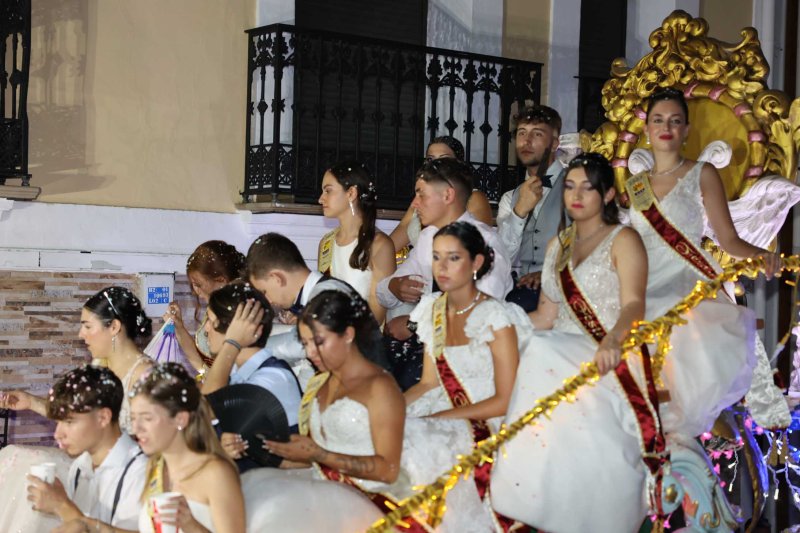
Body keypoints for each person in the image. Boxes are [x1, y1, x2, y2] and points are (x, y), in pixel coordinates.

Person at [491, 152, 656, 532]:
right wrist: (498, 334)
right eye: (569, 186)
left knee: (541, 354)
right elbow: (545, 318)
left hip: (609, 352)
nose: (576, 195)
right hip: (557, 350)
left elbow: (635, 304)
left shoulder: (624, 239)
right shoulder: (558, 246)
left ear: (608, 195)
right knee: (523, 351)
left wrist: (613, 340)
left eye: (587, 187)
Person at [629, 87, 783, 432]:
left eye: (675, 120)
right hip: (642, 276)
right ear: (647, 129)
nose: (665, 126)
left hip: (686, 275)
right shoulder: (635, 185)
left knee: (678, 324)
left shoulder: (702, 173)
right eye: (658, 120)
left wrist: (765, 257)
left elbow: (728, 239)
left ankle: (696, 422)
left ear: (685, 130)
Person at [403, 221, 534, 531]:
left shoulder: (496, 316)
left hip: (487, 420)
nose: (442, 267)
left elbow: (505, 400)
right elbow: (427, 383)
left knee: (420, 452)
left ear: (476, 262)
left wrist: (443, 417)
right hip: (439, 408)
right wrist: (392, 407)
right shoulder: (431, 310)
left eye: (453, 258)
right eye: (436, 257)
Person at [0, 287, 153, 532]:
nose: (81, 334)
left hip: (125, 470)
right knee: (13, 455)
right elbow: (78, 417)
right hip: (90, 460)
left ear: (114, 327)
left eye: (87, 326)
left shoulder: (146, 377)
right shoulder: (99, 366)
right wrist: (30, 402)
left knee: (29, 463)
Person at [377, 158, 513, 388]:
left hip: (472, 350)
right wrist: (394, 286)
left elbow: (480, 313)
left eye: (421, 194)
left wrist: (414, 325)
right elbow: (383, 292)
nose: (415, 204)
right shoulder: (427, 237)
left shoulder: (484, 243)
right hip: (428, 343)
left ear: (448, 196)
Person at [25, 365, 146, 532]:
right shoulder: (80, 467)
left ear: (103, 417)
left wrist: (62, 506)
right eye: (57, 422)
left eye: (69, 422)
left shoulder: (141, 472)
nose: (57, 434)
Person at [130, 363, 245, 533]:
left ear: (180, 419)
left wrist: (192, 527)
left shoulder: (216, 473)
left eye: (147, 418)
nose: (136, 429)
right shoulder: (155, 468)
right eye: (133, 418)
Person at [202, 281, 302, 470]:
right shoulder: (234, 370)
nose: (206, 328)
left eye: (211, 320)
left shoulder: (273, 378)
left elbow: (208, 407)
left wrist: (232, 343)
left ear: (237, 329)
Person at [496, 105, 566, 311]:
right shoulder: (510, 198)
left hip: (563, 289)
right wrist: (520, 211)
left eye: (537, 134)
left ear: (554, 144)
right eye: (521, 133)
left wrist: (551, 273)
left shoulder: (576, 185)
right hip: (521, 290)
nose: (526, 142)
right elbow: (502, 257)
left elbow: (589, 243)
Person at [317, 160, 396, 325]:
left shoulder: (379, 245)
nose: (320, 199)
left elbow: (377, 314)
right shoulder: (326, 243)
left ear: (351, 193)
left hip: (363, 340)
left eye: (328, 191)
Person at [389, 136, 493, 251]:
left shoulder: (473, 198)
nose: (436, 164)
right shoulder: (420, 200)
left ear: (458, 163)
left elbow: (481, 248)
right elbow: (391, 245)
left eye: (444, 159)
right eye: (430, 159)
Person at [163, 241, 246, 373]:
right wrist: (178, 327)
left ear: (221, 280)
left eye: (199, 284)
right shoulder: (214, 308)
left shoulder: (240, 313)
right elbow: (204, 365)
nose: (195, 291)